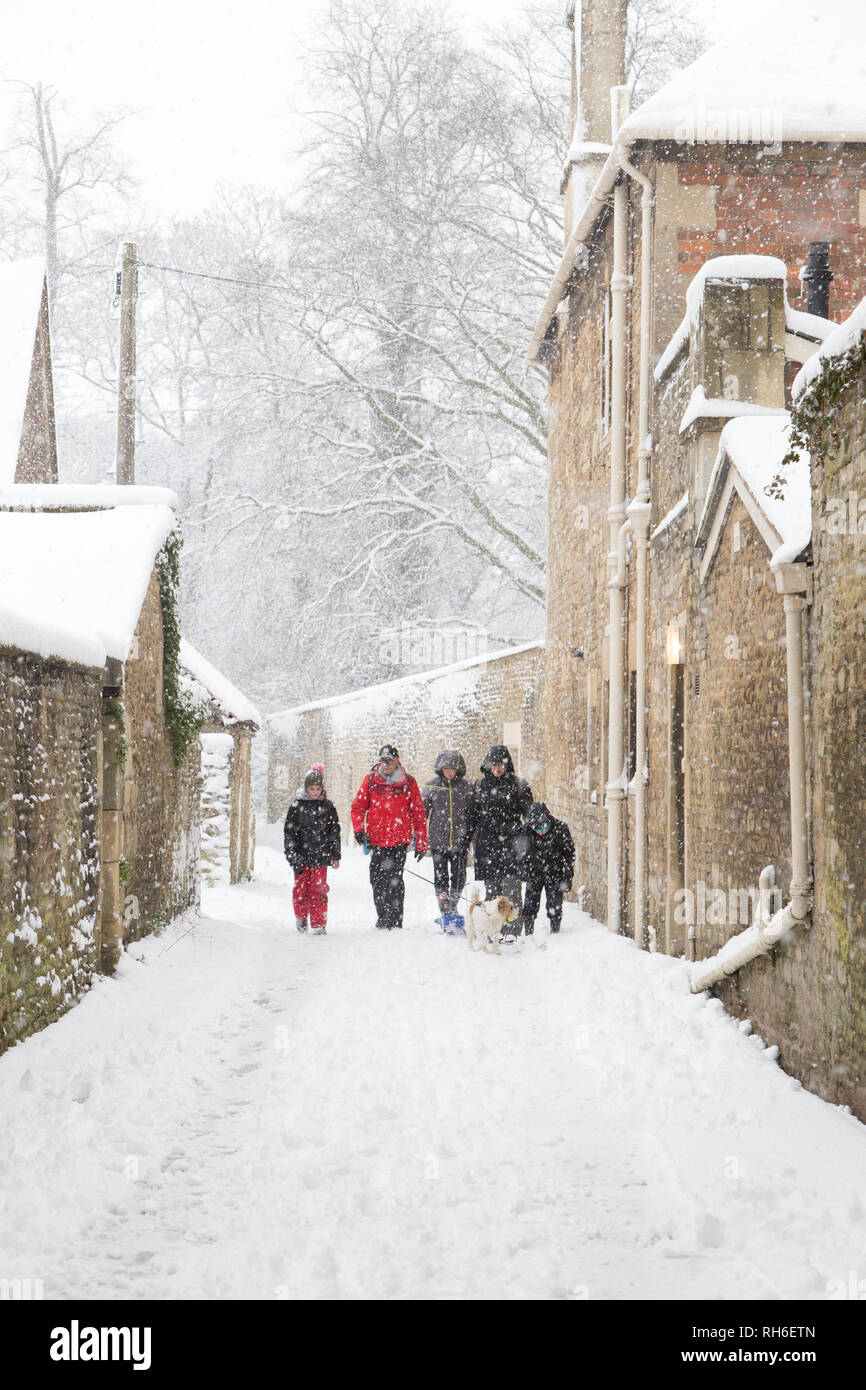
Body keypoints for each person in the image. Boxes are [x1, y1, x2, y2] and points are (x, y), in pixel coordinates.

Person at [351, 744, 428, 930]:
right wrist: (359, 830)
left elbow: (418, 813)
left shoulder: (408, 782)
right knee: (377, 880)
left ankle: (395, 919)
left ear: (397, 761)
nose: (385, 765)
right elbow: (358, 807)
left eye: (389, 761)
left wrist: (421, 842)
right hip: (377, 840)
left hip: (399, 841)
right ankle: (383, 916)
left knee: (394, 880)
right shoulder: (370, 781)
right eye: (382, 761)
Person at [471, 744, 533, 929]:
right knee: (493, 893)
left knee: (512, 889)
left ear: (507, 765)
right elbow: (471, 816)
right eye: (493, 764)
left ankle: (512, 928)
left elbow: (529, 815)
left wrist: (527, 836)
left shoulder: (518, 785)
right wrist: (466, 841)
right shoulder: (480, 786)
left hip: (512, 845)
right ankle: (494, 928)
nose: (497, 768)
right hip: (487, 847)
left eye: (501, 764)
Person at [283, 764, 341, 935]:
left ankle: (318, 923)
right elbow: (289, 832)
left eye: (317, 789)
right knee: (300, 890)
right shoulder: (296, 806)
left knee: (319, 890)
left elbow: (334, 831)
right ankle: (301, 918)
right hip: (301, 856)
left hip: (320, 857)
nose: (315, 792)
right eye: (311, 789)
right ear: (305, 788)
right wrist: (292, 854)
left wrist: (335, 854)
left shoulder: (328, 807)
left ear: (322, 788)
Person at [421, 750, 475, 920]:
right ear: (441, 768)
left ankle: (453, 905)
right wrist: (419, 839)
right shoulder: (431, 787)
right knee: (441, 877)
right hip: (438, 842)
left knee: (459, 877)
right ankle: (445, 909)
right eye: (447, 768)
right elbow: (421, 814)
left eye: (454, 768)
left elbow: (473, 815)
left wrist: (472, 838)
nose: (450, 772)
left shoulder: (467, 788)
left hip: (460, 842)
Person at [518, 801, 575, 935]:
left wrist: (567, 876)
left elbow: (569, 855)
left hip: (554, 872)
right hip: (534, 872)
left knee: (554, 905)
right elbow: (520, 853)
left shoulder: (560, 829)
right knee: (530, 905)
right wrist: (523, 870)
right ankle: (528, 932)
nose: (541, 831)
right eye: (537, 829)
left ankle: (555, 931)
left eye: (544, 827)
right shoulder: (526, 831)